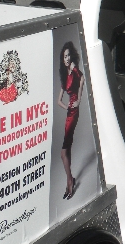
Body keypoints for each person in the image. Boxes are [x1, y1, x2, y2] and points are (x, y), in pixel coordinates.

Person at [57, 41, 85, 201]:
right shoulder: (64, 76)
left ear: (71, 56)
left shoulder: (75, 72)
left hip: (74, 113)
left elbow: (82, 80)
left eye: (68, 55)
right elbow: (58, 101)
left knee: (63, 152)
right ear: (63, 60)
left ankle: (69, 181)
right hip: (69, 113)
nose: (67, 58)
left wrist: (79, 100)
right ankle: (70, 179)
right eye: (64, 57)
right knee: (66, 149)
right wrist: (66, 106)